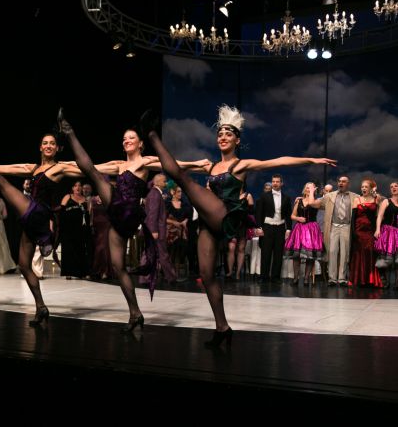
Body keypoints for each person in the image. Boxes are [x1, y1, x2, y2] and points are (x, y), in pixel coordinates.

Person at [144, 105, 336, 346]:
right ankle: (222, 327)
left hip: (224, 216)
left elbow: (278, 161)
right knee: (206, 275)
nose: (223, 137)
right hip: (208, 222)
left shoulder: (241, 165)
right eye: (220, 134)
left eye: (228, 134)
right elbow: (173, 164)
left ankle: (151, 133)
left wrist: (311, 159)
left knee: (182, 179)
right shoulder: (208, 165)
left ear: (237, 140)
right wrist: (142, 163)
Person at [56, 109, 208, 331]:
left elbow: (173, 165)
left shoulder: (145, 161)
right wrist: (62, 167)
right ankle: (135, 313)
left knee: (94, 175)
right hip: (115, 212)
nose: (126, 140)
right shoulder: (119, 164)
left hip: (128, 211)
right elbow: (88, 167)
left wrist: (199, 164)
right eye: (124, 138)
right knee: (118, 267)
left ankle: (69, 132)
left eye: (131, 138)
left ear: (140, 144)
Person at [0, 127, 83, 326]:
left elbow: (87, 168)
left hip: (39, 211)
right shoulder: (32, 168)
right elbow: (1, 169)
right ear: (40, 147)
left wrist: (121, 167)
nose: (48, 146)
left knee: (0, 182)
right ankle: (41, 307)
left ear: (57, 148)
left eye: (52, 143)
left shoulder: (60, 168)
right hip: (31, 217)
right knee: (24, 265)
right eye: (45, 143)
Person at [283, 182, 324, 286]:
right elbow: (292, 215)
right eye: (307, 187)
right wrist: (298, 218)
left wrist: (311, 193)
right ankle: (295, 278)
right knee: (296, 255)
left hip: (311, 229)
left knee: (310, 256)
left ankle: (306, 278)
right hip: (300, 229)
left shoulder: (317, 201)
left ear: (314, 189)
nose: (309, 189)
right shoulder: (299, 201)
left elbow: (311, 203)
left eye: (311, 188)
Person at [255, 174, 292, 282]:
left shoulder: (286, 198)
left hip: (280, 228)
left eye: (277, 181)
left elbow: (288, 215)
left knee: (278, 253)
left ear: (281, 183)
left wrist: (289, 229)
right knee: (265, 253)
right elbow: (259, 213)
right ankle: (264, 276)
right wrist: (259, 227)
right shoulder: (264, 196)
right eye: (273, 181)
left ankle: (275, 277)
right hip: (267, 227)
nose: (275, 183)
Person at [349, 179, 382, 287]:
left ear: (371, 188)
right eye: (362, 187)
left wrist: (375, 193)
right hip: (359, 230)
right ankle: (359, 279)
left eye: (366, 187)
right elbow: (353, 218)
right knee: (359, 254)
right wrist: (353, 232)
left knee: (370, 253)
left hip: (370, 231)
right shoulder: (357, 199)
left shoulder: (376, 199)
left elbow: (379, 215)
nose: (363, 188)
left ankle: (370, 279)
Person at [59, 180, 91, 279]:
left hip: (81, 228)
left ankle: (81, 272)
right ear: (72, 188)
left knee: (81, 249)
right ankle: (68, 272)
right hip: (68, 228)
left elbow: (88, 214)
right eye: (75, 185)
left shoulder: (85, 199)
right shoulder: (68, 197)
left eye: (79, 185)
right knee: (68, 250)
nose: (78, 187)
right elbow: (61, 212)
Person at [375, 181, 398, 287]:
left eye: (396, 186)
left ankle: (397, 282)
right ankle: (384, 280)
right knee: (386, 259)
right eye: (391, 187)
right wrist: (377, 229)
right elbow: (380, 216)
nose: (393, 188)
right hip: (387, 232)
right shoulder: (386, 201)